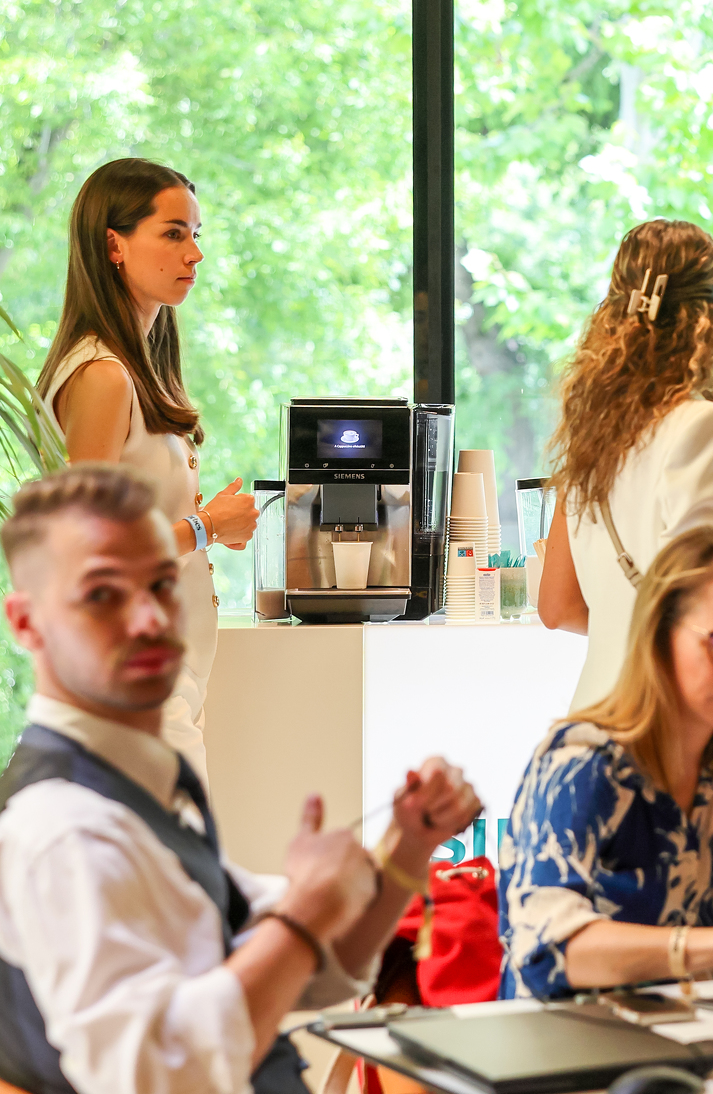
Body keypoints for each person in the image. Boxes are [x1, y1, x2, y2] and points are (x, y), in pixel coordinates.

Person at [0, 463, 481, 1094]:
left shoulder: (140, 788)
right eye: (102, 595)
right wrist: (308, 910)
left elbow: (313, 969)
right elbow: (158, 1076)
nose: (149, 619)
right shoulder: (63, 827)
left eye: (161, 584)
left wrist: (408, 848)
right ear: (26, 622)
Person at [500, 525, 713, 1000]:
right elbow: (546, 952)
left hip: (686, 1027)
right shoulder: (583, 765)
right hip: (561, 1034)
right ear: (661, 635)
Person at [537, 219, 713, 710]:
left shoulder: (593, 435)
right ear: (712, 325)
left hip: (599, 710)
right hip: (682, 722)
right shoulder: (705, 425)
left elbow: (560, 606)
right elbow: (708, 597)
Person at [36, 158, 260, 786]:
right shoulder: (103, 377)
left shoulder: (131, 370)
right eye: (173, 233)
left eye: (196, 234)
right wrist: (206, 527)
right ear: (114, 244)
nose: (195, 253)